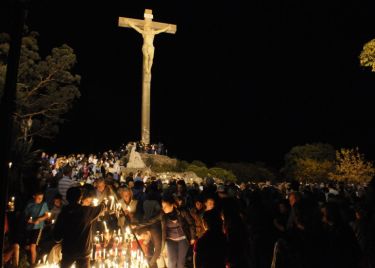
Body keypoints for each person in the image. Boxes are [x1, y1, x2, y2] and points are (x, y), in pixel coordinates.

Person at [54, 187, 105, 268]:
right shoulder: (86, 211)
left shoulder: (64, 212)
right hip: (83, 250)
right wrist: (103, 203)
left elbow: (57, 235)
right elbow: (101, 208)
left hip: (68, 249)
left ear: (67, 198)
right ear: (80, 198)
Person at [23, 190, 50, 265]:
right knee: (27, 246)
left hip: (38, 227)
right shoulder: (29, 204)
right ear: (34, 196)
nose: (40, 200)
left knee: (32, 246)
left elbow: (47, 215)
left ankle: (33, 263)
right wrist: (29, 220)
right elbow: (25, 215)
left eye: (41, 198)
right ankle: (26, 261)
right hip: (29, 227)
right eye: (38, 198)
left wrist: (39, 219)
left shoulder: (43, 204)